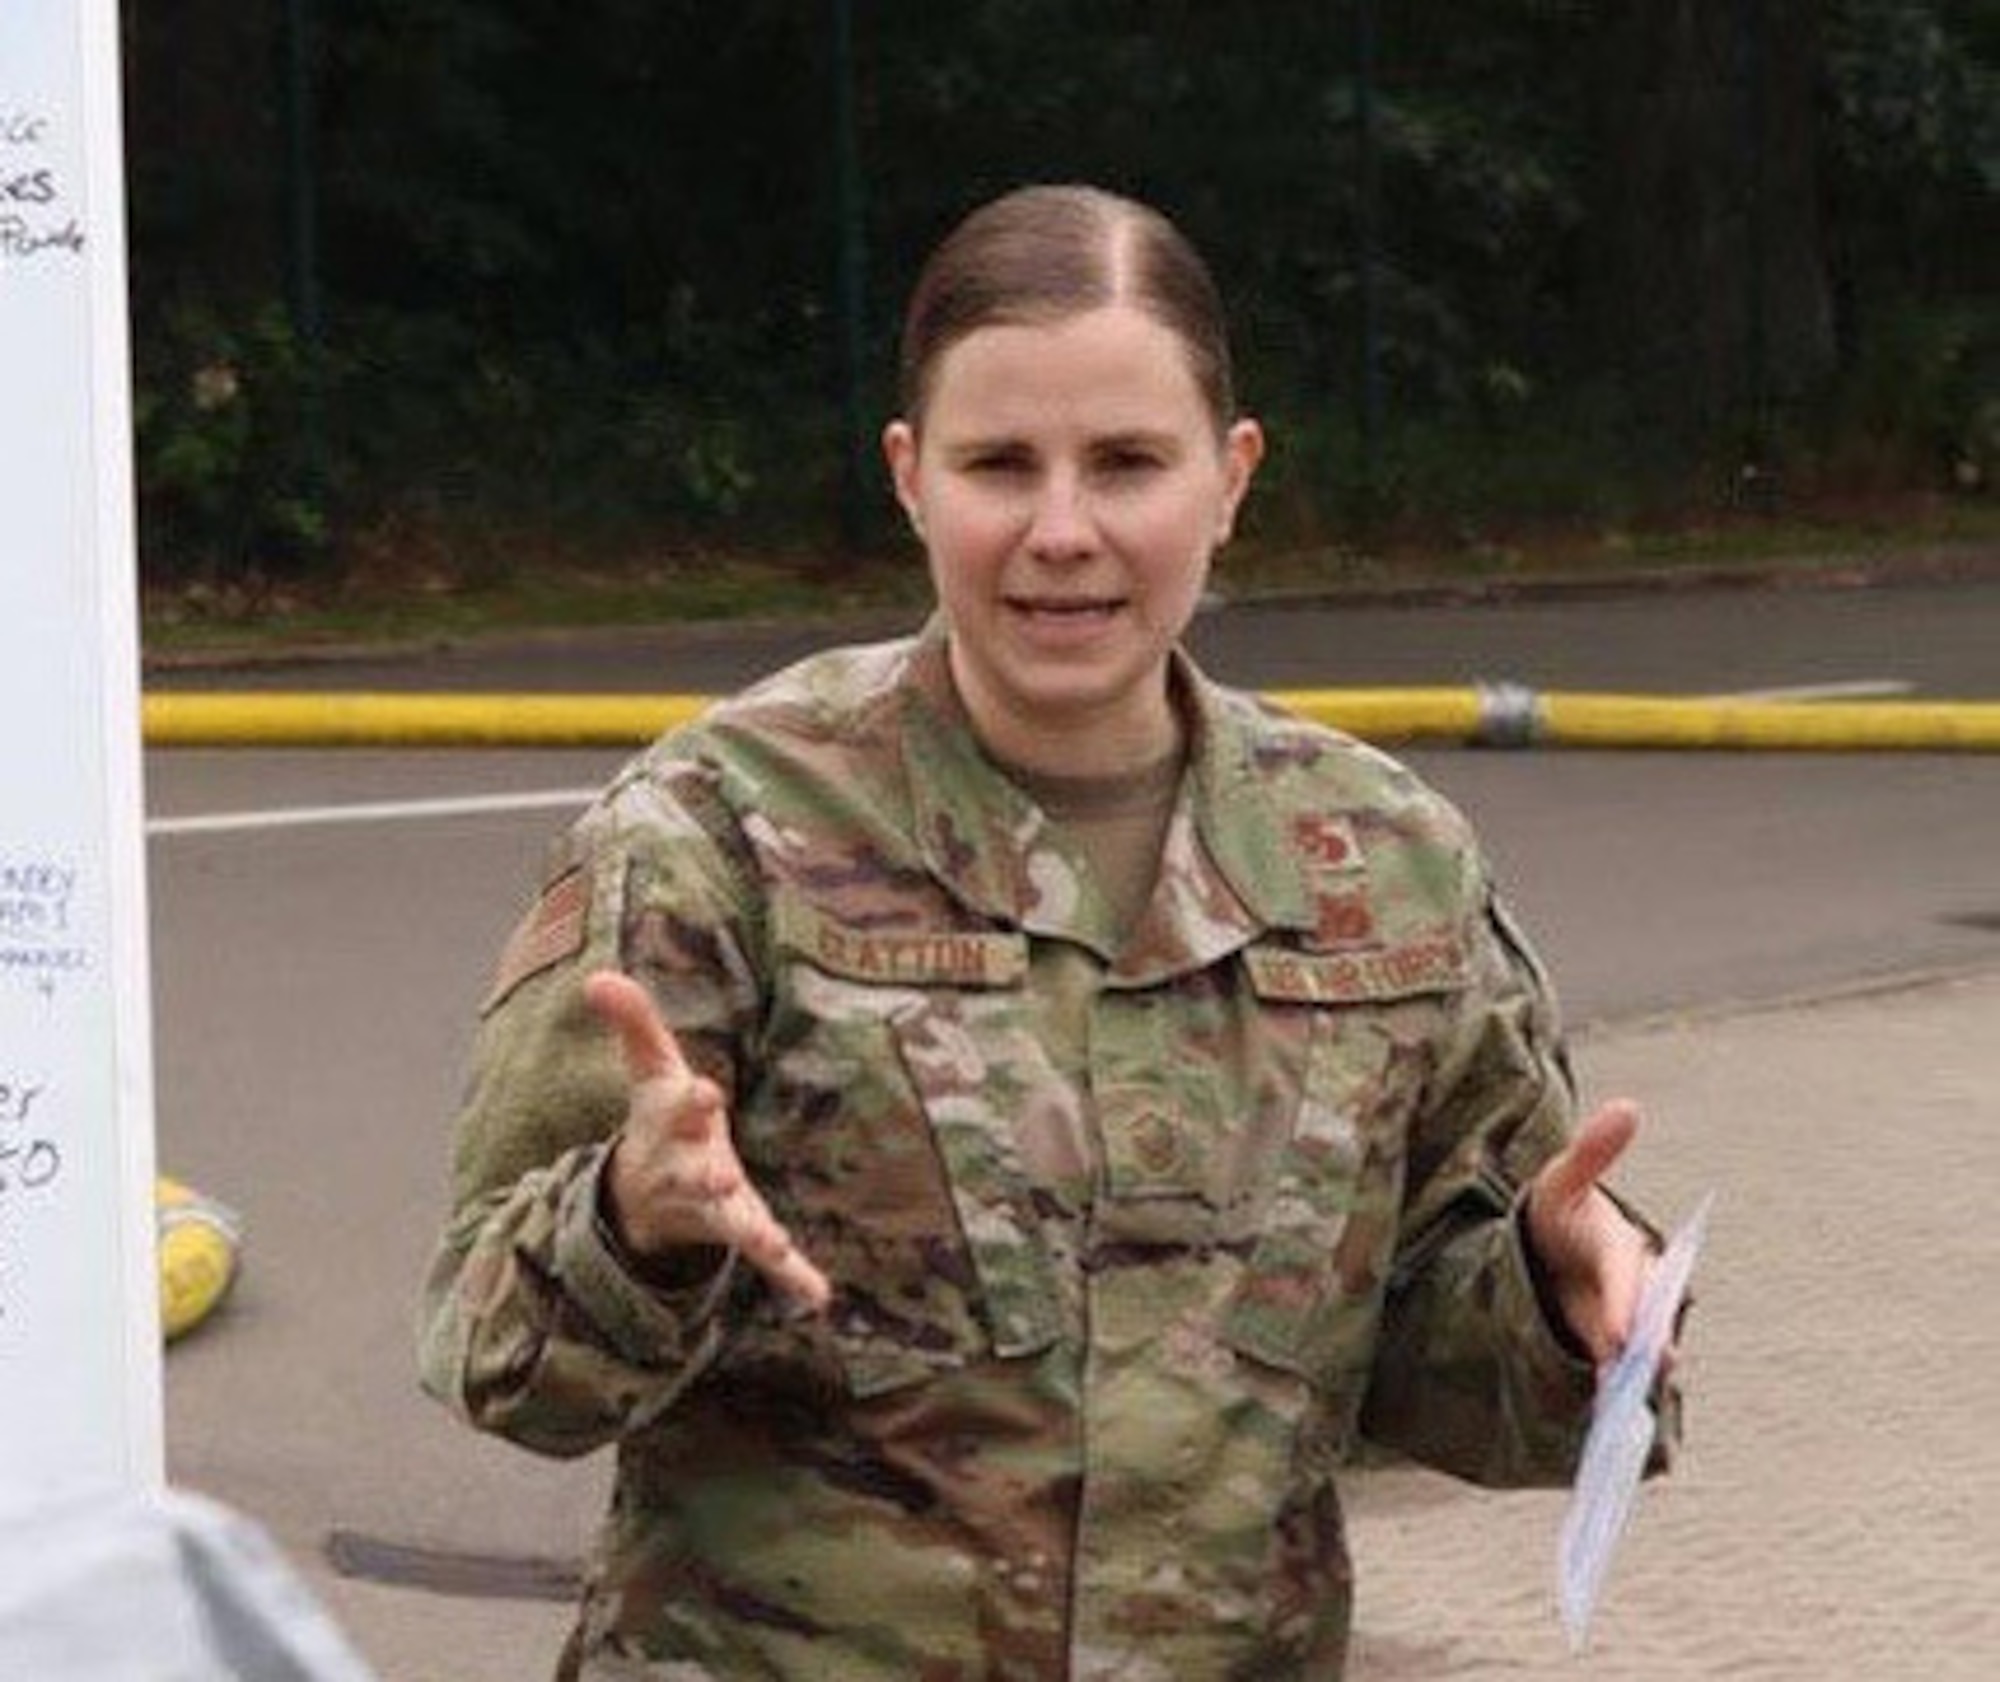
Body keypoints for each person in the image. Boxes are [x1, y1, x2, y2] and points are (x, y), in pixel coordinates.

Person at [418, 182, 1677, 1681]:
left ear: (1230, 477)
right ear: (910, 477)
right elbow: (497, 1358)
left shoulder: (1383, 863)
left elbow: (1430, 1364)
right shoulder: (719, 834)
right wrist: (632, 1222)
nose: (1062, 530)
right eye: (1000, 463)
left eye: (1129, 462)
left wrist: (1554, 1282)